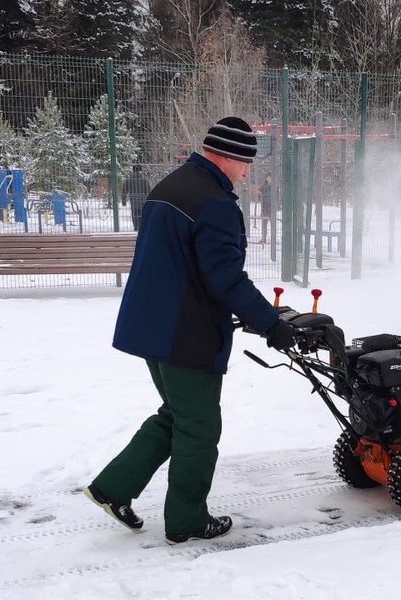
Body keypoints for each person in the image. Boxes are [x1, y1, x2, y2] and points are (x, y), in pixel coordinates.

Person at [83, 117, 298, 545]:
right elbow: (226, 279)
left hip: (152, 327)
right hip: (185, 333)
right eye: (245, 163)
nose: (246, 172)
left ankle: (113, 487)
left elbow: (186, 266)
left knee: (180, 415)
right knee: (199, 428)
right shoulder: (215, 202)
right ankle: (187, 520)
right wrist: (271, 323)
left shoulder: (170, 187)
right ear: (230, 156)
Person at [121, 164, 151, 231]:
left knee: (135, 217)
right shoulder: (144, 180)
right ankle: (142, 230)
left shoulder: (129, 180)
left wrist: (124, 201)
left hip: (134, 202)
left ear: (133, 170)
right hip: (143, 202)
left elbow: (124, 191)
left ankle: (136, 230)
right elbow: (149, 192)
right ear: (140, 170)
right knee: (143, 218)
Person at [258, 174, 273, 243]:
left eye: (270, 178)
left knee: (273, 223)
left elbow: (275, 196)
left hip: (271, 207)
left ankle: (273, 238)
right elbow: (259, 196)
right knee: (264, 224)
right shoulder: (263, 186)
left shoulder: (274, 186)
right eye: (268, 177)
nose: (269, 179)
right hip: (264, 206)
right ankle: (264, 238)